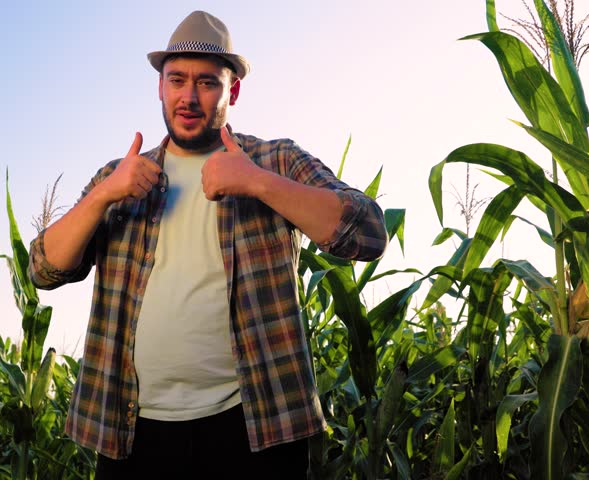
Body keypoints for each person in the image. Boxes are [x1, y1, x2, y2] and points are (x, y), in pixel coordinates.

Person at [29, 10, 387, 479]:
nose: (189, 97)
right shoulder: (119, 177)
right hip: (132, 429)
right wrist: (104, 195)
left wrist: (258, 183)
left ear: (232, 90)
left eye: (207, 82)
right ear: (160, 86)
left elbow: (368, 232)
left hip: (256, 425)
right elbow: (43, 269)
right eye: (177, 80)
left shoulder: (273, 159)